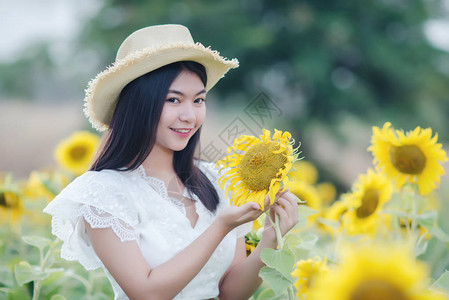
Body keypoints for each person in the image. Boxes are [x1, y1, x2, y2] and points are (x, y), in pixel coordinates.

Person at [44, 24, 299, 300]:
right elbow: (146, 293)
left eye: (198, 100)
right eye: (173, 99)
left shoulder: (217, 180)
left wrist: (270, 238)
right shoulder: (103, 193)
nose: (190, 115)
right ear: (139, 105)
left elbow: (229, 292)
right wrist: (221, 227)